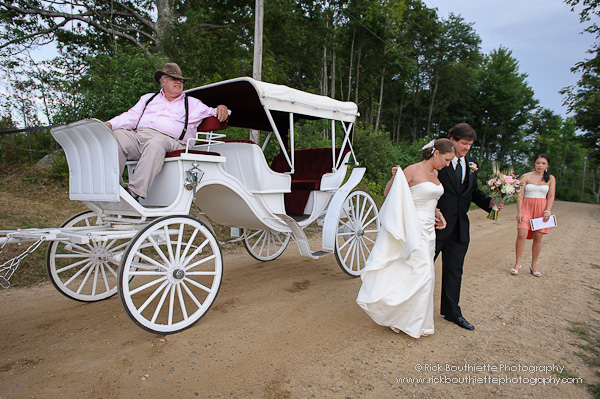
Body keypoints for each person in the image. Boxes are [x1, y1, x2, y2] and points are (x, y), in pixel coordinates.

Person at [356, 138, 455, 338]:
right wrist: (395, 178)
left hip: (429, 231)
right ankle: (404, 318)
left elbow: (429, 199)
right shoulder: (412, 170)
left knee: (421, 273)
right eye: (446, 159)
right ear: (436, 153)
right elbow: (389, 194)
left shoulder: (435, 173)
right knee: (423, 273)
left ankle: (407, 317)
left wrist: (438, 214)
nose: (447, 164)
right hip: (412, 227)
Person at [104, 62, 230, 200]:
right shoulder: (148, 99)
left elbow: (216, 113)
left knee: (157, 142)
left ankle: (133, 193)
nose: (178, 82)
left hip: (172, 141)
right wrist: (110, 124)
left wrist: (222, 107)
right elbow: (130, 116)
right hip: (140, 136)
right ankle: (112, 188)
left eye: (181, 80)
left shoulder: (191, 103)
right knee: (117, 136)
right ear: (163, 82)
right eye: (173, 79)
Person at [435, 123, 502, 331]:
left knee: (455, 270)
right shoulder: (436, 160)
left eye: (470, 145)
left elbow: (472, 193)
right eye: (464, 143)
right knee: (421, 267)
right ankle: (408, 309)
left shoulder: (471, 163)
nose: (467, 148)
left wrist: (489, 204)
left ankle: (452, 312)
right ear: (452, 139)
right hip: (436, 225)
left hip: (460, 226)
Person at [511, 154, 556, 277]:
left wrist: (548, 211)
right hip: (526, 207)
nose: (540, 165)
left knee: (538, 237)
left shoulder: (550, 178)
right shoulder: (526, 176)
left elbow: (551, 196)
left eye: (543, 163)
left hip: (541, 209)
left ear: (547, 165)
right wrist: (519, 211)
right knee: (521, 233)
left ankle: (533, 265)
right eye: (538, 163)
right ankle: (517, 264)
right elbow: (520, 195)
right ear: (534, 163)